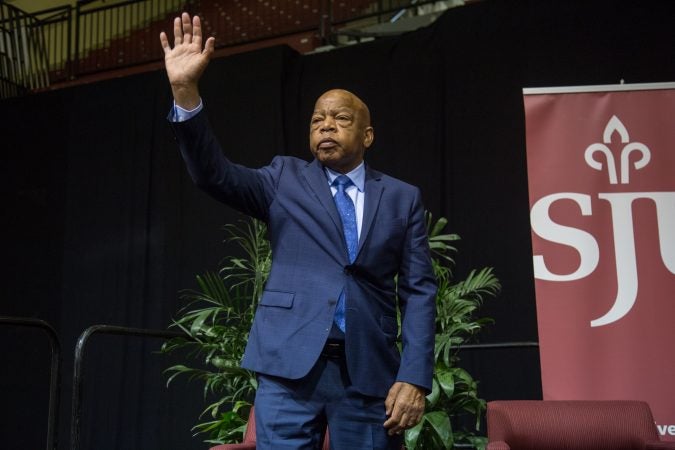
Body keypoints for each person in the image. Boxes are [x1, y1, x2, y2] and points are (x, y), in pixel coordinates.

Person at [160, 13, 437, 450]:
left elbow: (419, 290)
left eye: (340, 118)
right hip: (289, 369)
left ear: (367, 135)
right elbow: (213, 174)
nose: (325, 125)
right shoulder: (282, 178)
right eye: (316, 119)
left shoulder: (403, 198)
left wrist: (415, 375)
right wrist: (184, 91)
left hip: (368, 374)